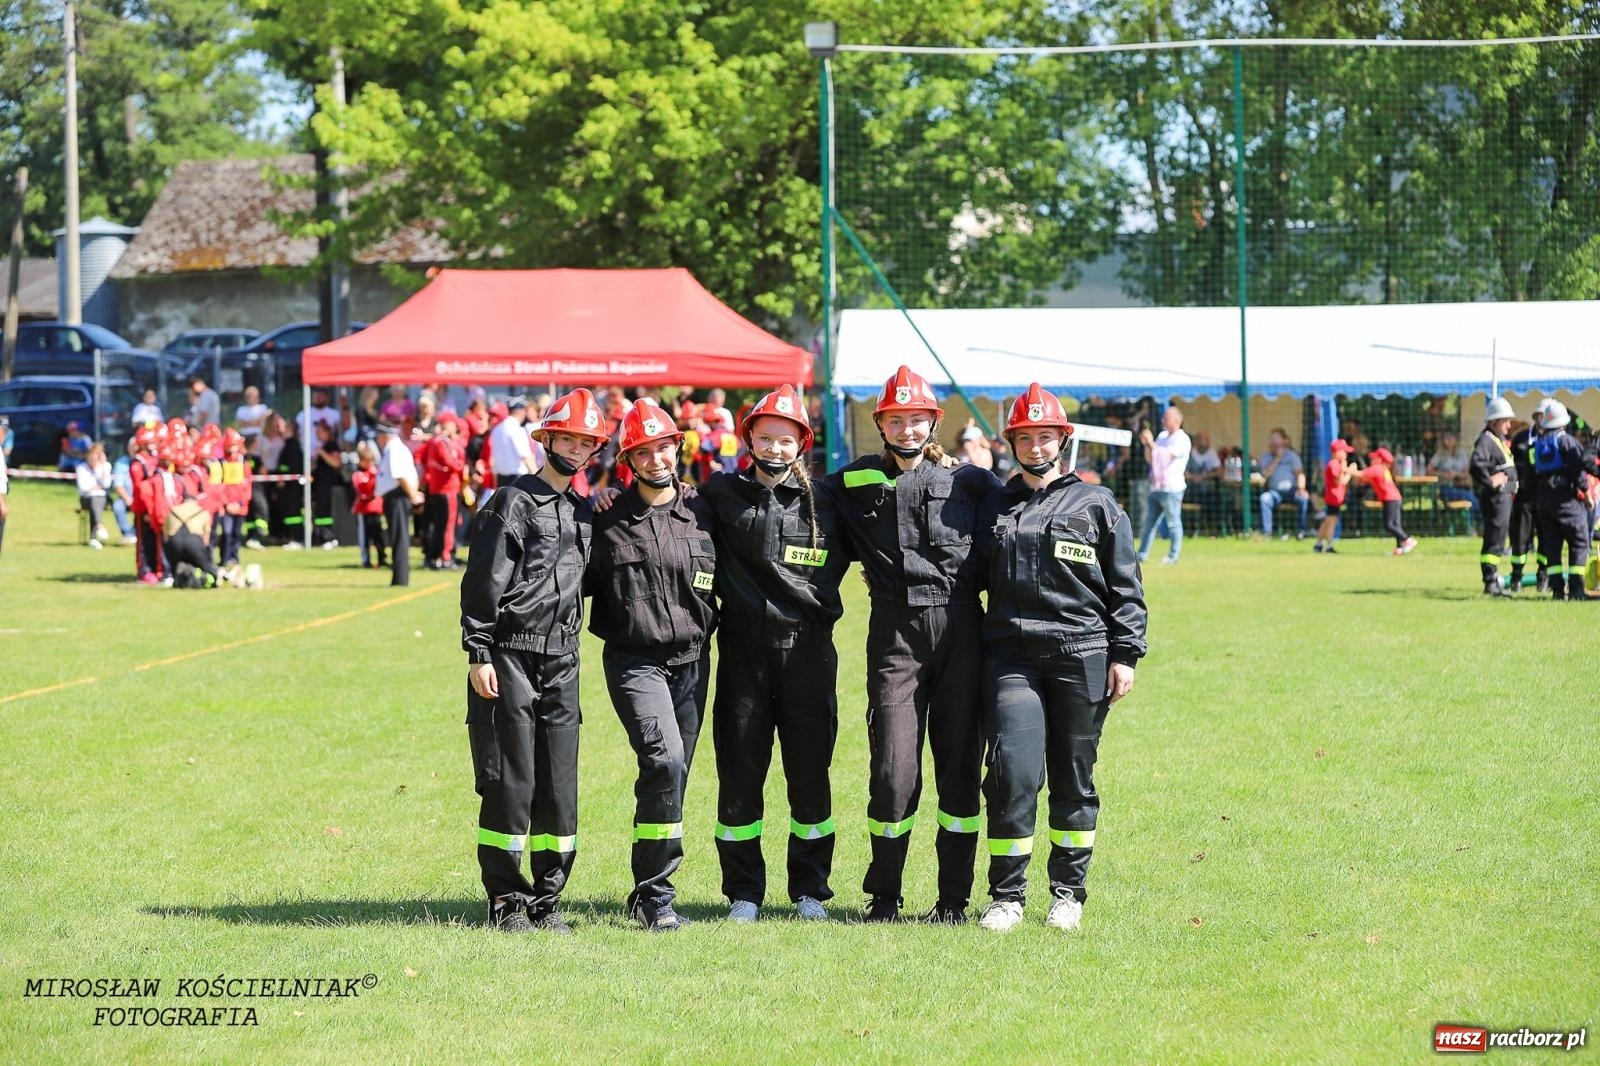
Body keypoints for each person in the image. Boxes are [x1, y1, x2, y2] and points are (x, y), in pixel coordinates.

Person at [825, 366, 999, 924]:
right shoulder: (852, 481)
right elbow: (787, 489)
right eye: (895, 419)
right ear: (881, 423)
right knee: (893, 770)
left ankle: (953, 899)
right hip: (895, 636)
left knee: (959, 770)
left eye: (915, 418)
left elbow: (1023, 512)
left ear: (933, 423)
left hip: (961, 632)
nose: (905, 428)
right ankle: (884, 896)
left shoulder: (971, 483)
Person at [971, 383, 1147, 933]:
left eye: (1046, 436)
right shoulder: (993, 504)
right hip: (1011, 659)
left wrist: (1126, 654)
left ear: (1063, 440)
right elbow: (964, 573)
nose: (1037, 446)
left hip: (1083, 654)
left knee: (1074, 776)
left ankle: (1068, 893)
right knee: (1011, 773)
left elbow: (1127, 588)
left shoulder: (1097, 504)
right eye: (1026, 437)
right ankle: (1007, 896)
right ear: (1013, 442)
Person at [459, 388, 609, 934]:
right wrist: (479, 653)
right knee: (510, 780)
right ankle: (506, 899)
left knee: (558, 784)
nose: (576, 446)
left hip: (563, 659)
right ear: (546, 439)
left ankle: (548, 898)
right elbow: (482, 584)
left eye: (586, 440)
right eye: (567, 436)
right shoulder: (512, 502)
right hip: (509, 656)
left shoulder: (585, 509)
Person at [700, 385, 850, 922]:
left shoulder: (831, 500)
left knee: (810, 772)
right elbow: (660, 504)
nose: (775, 450)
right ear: (748, 440)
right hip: (743, 655)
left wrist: (933, 454)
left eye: (786, 441)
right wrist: (608, 497)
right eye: (766, 438)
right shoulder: (719, 493)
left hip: (808, 655)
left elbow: (888, 484)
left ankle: (810, 889)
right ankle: (743, 891)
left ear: (802, 443)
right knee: (740, 773)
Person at [585, 399, 718, 932]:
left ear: (678, 449)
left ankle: (648, 892)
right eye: (645, 451)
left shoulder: (705, 511)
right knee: (663, 760)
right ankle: (656, 895)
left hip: (693, 659)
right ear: (628, 460)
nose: (658, 458)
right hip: (634, 661)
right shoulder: (603, 516)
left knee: (675, 772)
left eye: (665, 446)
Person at [1532, 401, 1590, 602]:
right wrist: (1586, 492)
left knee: (1552, 546)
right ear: (1563, 421)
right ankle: (1576, 589)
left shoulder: (1538, 443)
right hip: (1565, 500)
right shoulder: (1566, 441)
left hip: (1543, 501)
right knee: (1580, 541)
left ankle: (1557, 590)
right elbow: (1579, 470)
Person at [1470, 397, 1518, 596]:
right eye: (1505, 420)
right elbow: (1476, 464)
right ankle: (1490, 582)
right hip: (1496, 499)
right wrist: (1490, 481)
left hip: (1504, 499)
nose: (1509, 425)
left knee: (1498, 539)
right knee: (1494, 539)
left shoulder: (1496, 440)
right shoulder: (1486, 441)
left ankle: (1494, 581)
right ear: (1494, 422)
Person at [1136, 405, 1191, 565]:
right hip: (1156, 487)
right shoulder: (1162, 436)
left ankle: (1173, 556)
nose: (1163, 421)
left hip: (1172, 488)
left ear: (1177, 420)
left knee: (1173, 522)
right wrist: (1147, 444)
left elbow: (1165, 456)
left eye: (1166, 418)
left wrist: (1152, 443)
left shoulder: (1182, 439)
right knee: (1149, 524)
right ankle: (1142, 554)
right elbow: (1151, 458)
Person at [1508, 403, 1551, 593]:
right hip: (1524, 498)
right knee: (1520, 539)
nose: (1543, 419)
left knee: (1546, 539)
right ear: (1535, 417)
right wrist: (1512, 490)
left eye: (1546, 415)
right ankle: (1516, 578)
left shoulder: (1554, 439)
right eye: (1540, 415)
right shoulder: (1521, 438)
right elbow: (1510, 466)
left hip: (1546, 497)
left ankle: (1543, 578)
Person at [373, 420, 422, 585]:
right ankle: (398, 577)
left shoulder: (394, 449)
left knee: (399, 537)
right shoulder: (395, 449)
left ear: (385, 436)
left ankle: (400, 579)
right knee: (397, 537)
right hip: (396, 496)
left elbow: (400, 476)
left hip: (397, 497)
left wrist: (412, 495)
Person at [421, 414, 466, 570]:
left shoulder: (435, 441)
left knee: (440, 524)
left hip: (438, 487)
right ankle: (445, 556)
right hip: (447, 488)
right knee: (447, 524)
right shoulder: (442, 442)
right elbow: (452, 463)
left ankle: (436, 556)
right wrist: (460, 466)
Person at [1357, 448, 1417, 555]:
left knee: (1389, 524)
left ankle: (1408, 540)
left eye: (1374, 457)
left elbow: (1360, 474)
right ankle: (1399, 549)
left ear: (1380, 459)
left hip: (1390, 499)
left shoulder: (1377, 468)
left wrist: (1346, 469)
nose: (1371, 459)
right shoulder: (1383, 469)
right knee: (1396, 524)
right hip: (1395, 498)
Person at [1257, 428, 1309, 539]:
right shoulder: (1266, 457)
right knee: (1264, 498)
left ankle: (1301, 532)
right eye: (1271, 439)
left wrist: (1301, 489)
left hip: (1292, 491)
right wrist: (1277, 458)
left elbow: (1300, 474)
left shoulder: (1292, 456)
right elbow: (1266, 474)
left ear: (1284, 441)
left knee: (1303, 498)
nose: (1273, 442)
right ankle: (1267, 533)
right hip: (1275, 493)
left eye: (1276, 439)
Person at [216, 428, 252, 578]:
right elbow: (219, 485)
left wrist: (242, 503)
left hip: (239, 506)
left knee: (237, 534)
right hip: (226, 506)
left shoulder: (243, 462)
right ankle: (224, 560)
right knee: (226, 533)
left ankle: (234, 559)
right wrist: (226, 504)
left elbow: (247, 485)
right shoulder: (221, 463)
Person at [487, 397, 543, 487]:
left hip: (501, 480)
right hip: (517, 480)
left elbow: (493, 460)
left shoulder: (497, 429)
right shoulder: (517, 430)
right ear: (522, 412)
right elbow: (526, 456)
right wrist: (537, 479)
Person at [1312, 440, 1356, 553]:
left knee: (1327, 521)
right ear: (1337, 452)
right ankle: (1329, 545)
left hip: (1335, 497)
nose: (1346, 454)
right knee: (1331, 522)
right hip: (1333, 498)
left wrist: (1345, 467)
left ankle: (1318, 544)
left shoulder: (1337, 464)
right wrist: (1350, 472)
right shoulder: (1334, 464)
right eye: (1344, 451)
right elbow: (1341, 481)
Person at [351, 442, 386, 568]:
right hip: (363, 510)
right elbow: (362, 491)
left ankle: (382, 558)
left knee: (378, 535)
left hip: (375, 508)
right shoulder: (358, 474)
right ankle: (366, 560)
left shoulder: (375, 472)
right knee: (365, 537)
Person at [75, 441, 113, 548]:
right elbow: (84, 488)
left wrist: (103, 468)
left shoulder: (106, 466)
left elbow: (106, 484)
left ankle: (93, 537)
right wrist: (96, 487)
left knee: (96, 499)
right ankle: (99, 526)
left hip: (102, 499)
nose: (93, 457)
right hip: (86, 499)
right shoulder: (81, 468)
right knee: (94, 500)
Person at [1185, 431, 1223, 533]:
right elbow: (1183, 473)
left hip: (1208, 491)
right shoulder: (1189, 454)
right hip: (1191, 490)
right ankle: (1195, 529)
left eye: (1208, 440)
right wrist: (1194, 477)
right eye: (1204, 440)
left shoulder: (1211, 453)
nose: (1207, 443)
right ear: (1197, 442)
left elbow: (1219, 472)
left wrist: (1205, 475)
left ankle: (1213, 529)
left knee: (1216, 499)